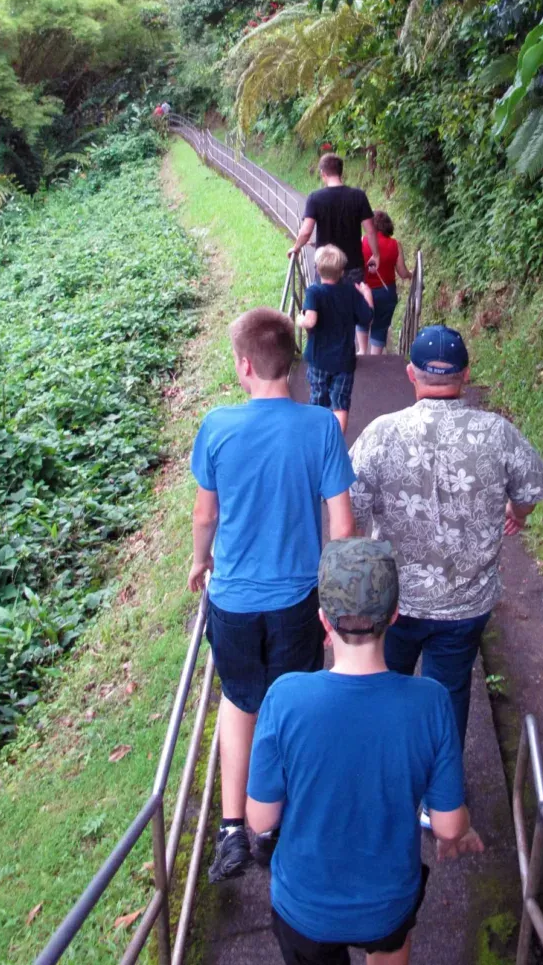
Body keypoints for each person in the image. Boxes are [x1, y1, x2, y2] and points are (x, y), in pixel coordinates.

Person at [246, 538, 484, 965]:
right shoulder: (430, 702)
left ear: (323, 621)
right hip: (387, 902)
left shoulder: (285, 699)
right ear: (394, 615)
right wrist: (464, 828)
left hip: (304, 906)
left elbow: (261, 819)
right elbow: (447, 827)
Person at [188, 307, 357, 882]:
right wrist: (335, 598)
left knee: (239, 705)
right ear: (293, 362)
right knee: (293, 706)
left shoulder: (216, 426)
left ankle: (233, 828)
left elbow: (205, 513)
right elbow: (342, 526)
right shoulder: (320, 428)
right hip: (296, 600)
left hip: (232, 599)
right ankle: (278, 822)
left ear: (243, 366)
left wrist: (199, 562)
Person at [349, 325, 543, 765]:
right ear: (464, 374)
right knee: (448, 693)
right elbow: (532, 486)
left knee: (388, 684)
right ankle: (440, 797)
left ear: (410, 373)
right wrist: (516, 515)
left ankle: (388, 773)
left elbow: (350, 512)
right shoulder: (496, 433)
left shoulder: (382, 433)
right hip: (466, 603)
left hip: (394, 600)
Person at [297, 245, 374, 435]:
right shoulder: (350, 292)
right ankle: (337, 445)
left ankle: (317, 442)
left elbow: (311, 320)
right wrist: (367, 296)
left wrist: (300, 319)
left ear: (317, 268)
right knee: (340, 404)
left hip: (319, 360)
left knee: (318, 399)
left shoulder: (314, 292)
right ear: (341, 271)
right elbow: (367, 318)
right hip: (344, 361)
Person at [288, 153, 380, 287]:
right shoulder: (359, 196)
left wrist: (296, 248)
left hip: (325, 267)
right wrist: (376, 255)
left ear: (323, 173)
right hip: (353, 265)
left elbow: (306, 231)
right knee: (352, 305)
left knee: (325, 305)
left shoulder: (315, 198)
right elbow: (370, 230)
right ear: (341, 172)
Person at [357, 209, 413, 356]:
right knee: (380, 327)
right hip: (386, 292)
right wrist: (411, 275)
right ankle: (375, 360)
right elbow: (402, 272)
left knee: (362, 320)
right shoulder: (395, 244)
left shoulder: (362, 241)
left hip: (364, 291)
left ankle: (362, 351)